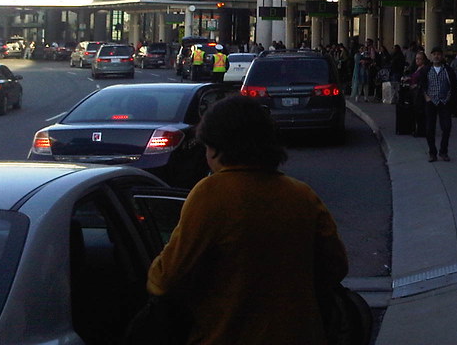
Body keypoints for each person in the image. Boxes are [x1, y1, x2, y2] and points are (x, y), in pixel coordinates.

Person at [147, 95, 348, 345]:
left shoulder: (211, 193)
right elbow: (336, 267)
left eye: (207, 146)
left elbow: (166, 278)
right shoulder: (301, 194)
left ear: (218, 147)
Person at [419, 47, 456, 162]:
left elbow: (453, 84)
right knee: (430, 128)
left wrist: (449, 97)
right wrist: (426, 97)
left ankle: (443, 151)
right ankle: (432, 152)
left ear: (442, 56)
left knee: (446, 127)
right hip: (431, 102)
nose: (436, 56)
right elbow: (422, 84)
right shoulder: (426, 70)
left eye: (439, 54)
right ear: (431, 56)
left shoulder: (448, 70)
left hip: (444, 101)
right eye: (434, 54)